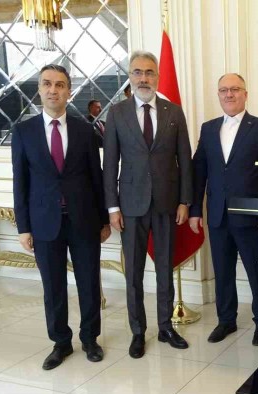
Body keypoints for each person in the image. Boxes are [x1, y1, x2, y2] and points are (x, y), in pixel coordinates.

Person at [12, 64, 111, 370]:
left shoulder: (84, 130)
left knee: (88, 283)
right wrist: (24, 227)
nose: (53, 90)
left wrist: (104, 219)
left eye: (59, 85)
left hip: (83, 220)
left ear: (69, 91)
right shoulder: (24, 132)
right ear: (39, 90)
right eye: (47, 84)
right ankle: (61, 342)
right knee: (53, 286)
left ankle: (90, 339)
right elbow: (20, 182)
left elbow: (96, 177)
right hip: (44, 223)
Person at [103, 50, 193, 358]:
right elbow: (110, 164)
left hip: (167, 203)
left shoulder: (174, 112)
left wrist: (185, 201)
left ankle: (166, 327)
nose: (144, 78)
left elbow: (185, 160)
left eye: (149, 72)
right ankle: (138, 332)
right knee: (134, 274)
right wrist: (112, 207)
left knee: (165, 268)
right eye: (138, 72)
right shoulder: (117, 113)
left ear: (157, 76)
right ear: (130, 76)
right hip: (130, 206)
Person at [190, 73, 258, 346]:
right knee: (223, 271)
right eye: (223, 90)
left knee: (256, 272)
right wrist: (195, 210)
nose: (229, 94)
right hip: (217, 215)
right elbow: (199, 172)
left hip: (251, 217)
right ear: (218, 94)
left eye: (235, 89)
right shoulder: (208, 129)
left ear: (245, 94)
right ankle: (226, 320)